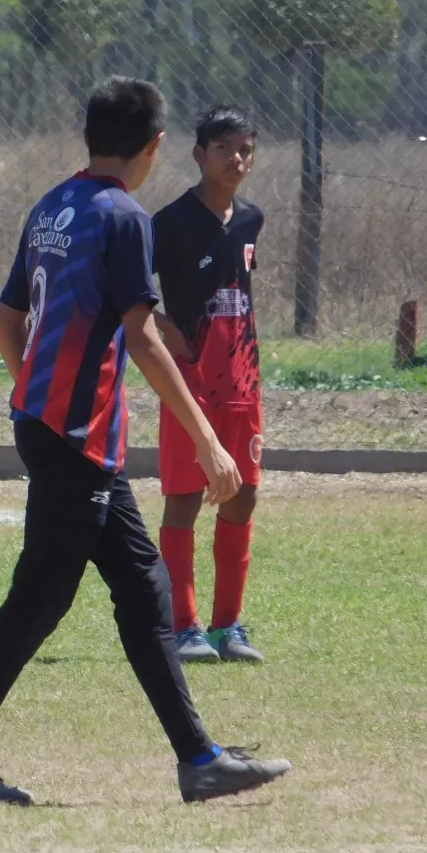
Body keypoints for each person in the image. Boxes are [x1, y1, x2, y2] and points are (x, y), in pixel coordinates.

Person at [0, 79, 290, 805]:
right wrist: (208, 440)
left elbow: (4, 323)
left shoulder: (53, 203)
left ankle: (199, 758)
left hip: (59, 430)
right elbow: (145, 338)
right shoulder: (124, 216)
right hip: (75, 437)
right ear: (153, 148)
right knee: (38, 601)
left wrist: (35, 389)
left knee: (143, 591)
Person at [152, 107, 266, 664]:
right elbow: (125, 288)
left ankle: (228, 627)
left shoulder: (250, 220)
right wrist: (162, 328)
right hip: (189, 384)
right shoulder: (168, 223)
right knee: (183, 498)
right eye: (224, 148)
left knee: (242, 495)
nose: (236, 159)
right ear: (199, 155)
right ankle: (184, 626)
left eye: (245, 149)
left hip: (242, 384)